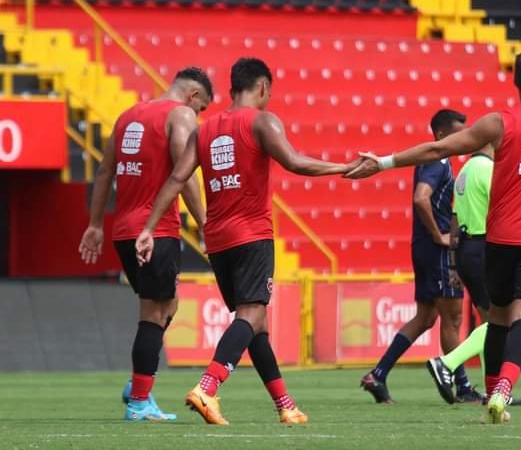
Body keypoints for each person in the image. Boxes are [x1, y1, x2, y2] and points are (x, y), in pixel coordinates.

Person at [346, 47, 521, 424]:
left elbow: (439, 147)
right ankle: (504, 388)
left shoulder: (498, 123)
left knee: (498, 318)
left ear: (515, 81)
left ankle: (492, 395)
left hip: (499, 240)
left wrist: (384, 163)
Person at [135, 57, 361, 426]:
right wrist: (343, 168)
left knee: (256, 325)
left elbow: (176, 179)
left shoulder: (203, 131)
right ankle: (208, 386)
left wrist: (148, 227)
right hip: (252, 234)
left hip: (219, 240)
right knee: (251, 315)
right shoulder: (262, 121)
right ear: (262, 88)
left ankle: (285, 405)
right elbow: (294, 162)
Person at [78, 67, 213, 421]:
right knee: (154, 312)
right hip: (155, 231)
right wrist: (204, 225)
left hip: (124, 229)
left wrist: (95, 224)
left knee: (168, 304)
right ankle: (139, 401)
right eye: (202, 111)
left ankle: (137, 381)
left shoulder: (128, 115)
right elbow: (183, 176)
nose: (198, 118)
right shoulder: (180, 115)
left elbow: (105, 171)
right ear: (193, 97)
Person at [360, 109, 482, 404]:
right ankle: (463, 386)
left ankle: (378, 374)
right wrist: (440, 235)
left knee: (426, 317)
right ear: (441, 135)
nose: (464, 139)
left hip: (424, 248)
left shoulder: (441, 161)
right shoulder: (437, 161)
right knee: (452, 318)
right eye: (458, 133)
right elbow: (420, 197)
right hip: (437, 249)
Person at [426, 139, 521, 407]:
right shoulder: (487, 170)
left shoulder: (465, 172)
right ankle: (446, 362)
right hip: (485, 247)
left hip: (466, 250)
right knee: (499, 321)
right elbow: (503, 209)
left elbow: (455, 219)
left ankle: (493, 390)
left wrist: (455, 263)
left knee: (490, 322)